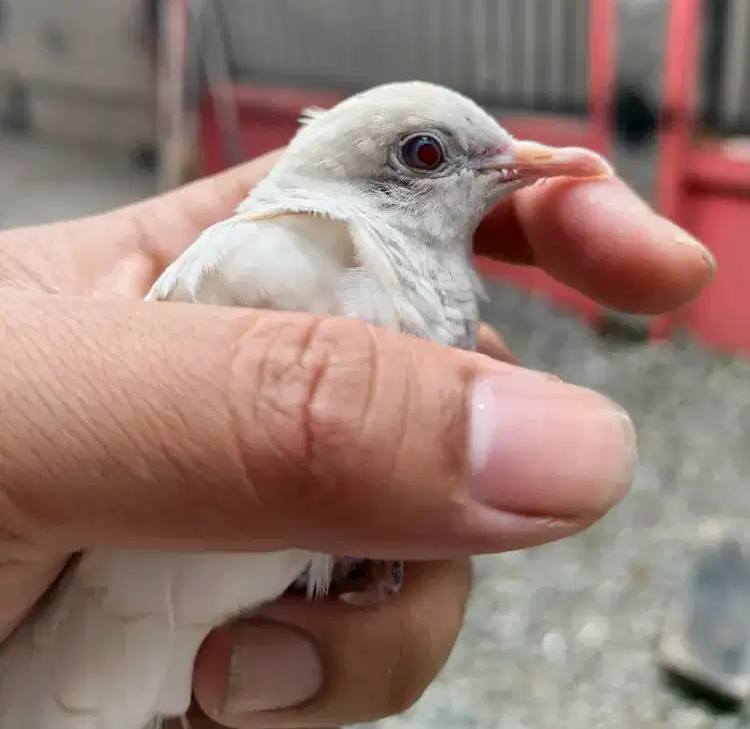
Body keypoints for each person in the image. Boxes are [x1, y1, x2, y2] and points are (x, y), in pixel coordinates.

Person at [0, 148, 714, 728]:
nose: (511, 163)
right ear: (369, 174)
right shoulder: (297, 251)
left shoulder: (381, 266)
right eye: (430, 154)